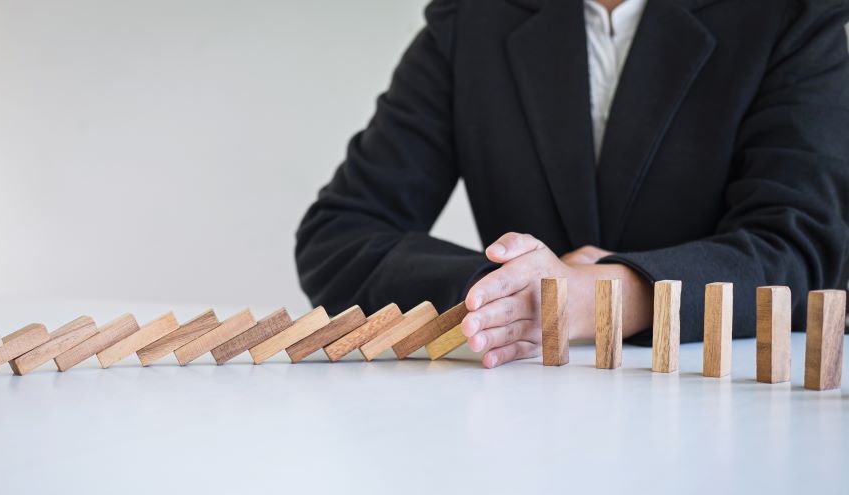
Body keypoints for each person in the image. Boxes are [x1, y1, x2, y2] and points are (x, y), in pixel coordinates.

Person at [295, 0, 849, 368]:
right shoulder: (474, 19)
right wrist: (506, 292)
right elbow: (338, 234)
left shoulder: (791, 14)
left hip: (731, 412)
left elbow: (799, 250)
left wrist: (597, 296)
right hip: (523, 424)